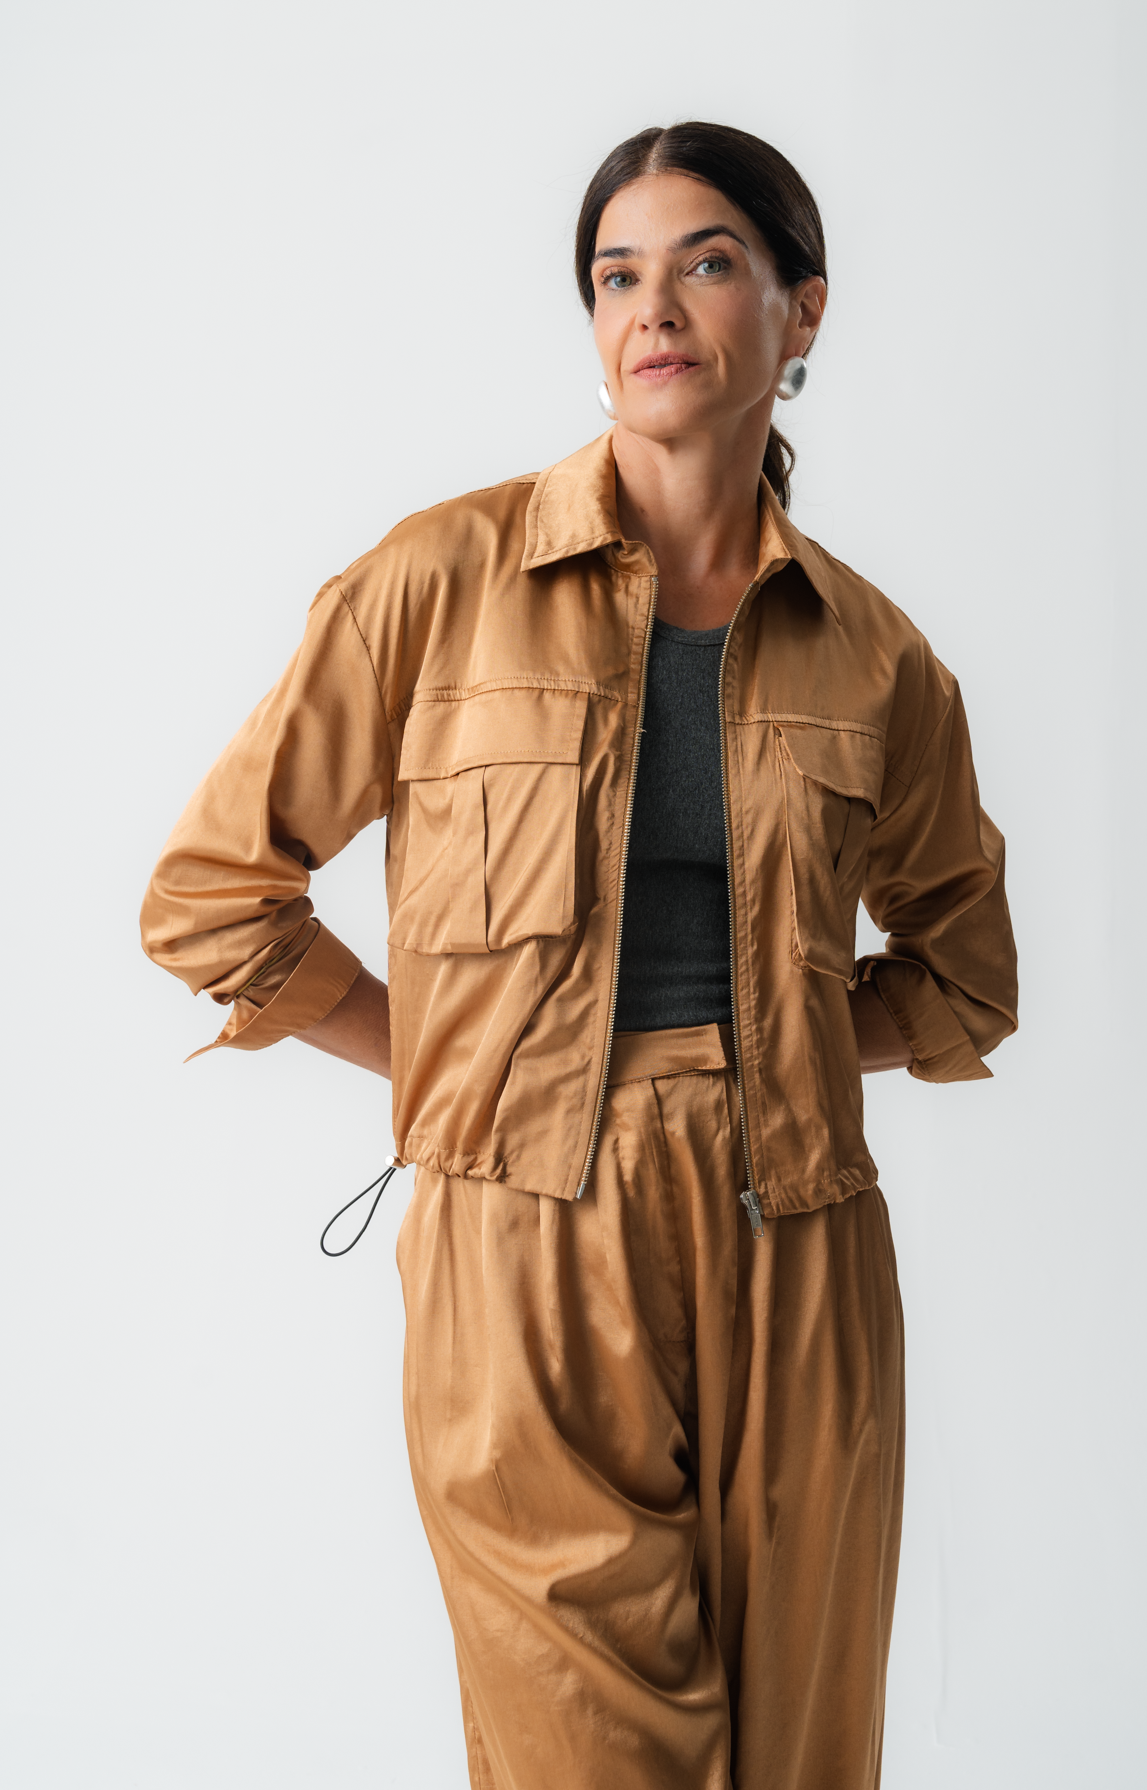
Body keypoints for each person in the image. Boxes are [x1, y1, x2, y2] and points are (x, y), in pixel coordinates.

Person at [141, 121, 1018, 1790]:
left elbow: (966, 973)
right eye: (617, 275)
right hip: (520, 1227)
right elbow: (212, 896)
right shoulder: (437, 580)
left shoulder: (876, 656)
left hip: (797, 1229)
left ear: (802, 311)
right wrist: (456, 1062)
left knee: (799, 1754)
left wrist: (769, 1042)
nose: (652, 307)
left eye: (706, 263)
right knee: (591, 1757)